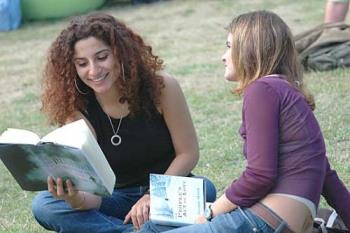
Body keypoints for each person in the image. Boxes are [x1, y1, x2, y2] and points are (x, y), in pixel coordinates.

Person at [138, 10, 350, 233]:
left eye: (229, 47)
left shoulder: (262, 90)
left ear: (250, 49)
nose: (223, 56)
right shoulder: (287, 91)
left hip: (267, 220)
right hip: (285, 218)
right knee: (153, 226)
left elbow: (260, 176)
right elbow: (326, 174)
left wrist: (210, 213)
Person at [31, 13, 216, 233]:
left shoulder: (162, 87)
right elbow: (90, 195)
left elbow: (188, 153)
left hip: (168, 190)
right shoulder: (76, 109)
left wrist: (152, 196)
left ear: (121, 53)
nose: (93, 70)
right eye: (82, 63)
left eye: (101, 57)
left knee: (205, 189)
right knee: (45, 205)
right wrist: (74, 199)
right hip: (114, 198)